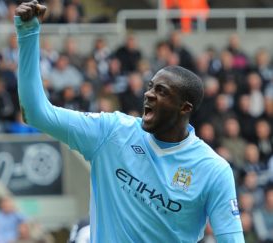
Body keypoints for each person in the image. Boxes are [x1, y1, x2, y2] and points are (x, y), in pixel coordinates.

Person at [14, 1, 244, 242]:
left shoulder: (213, 170)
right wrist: (29, 34)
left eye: (162, 91)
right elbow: (37, 113)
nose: (149, 94)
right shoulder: (111, 132)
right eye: (150, 87)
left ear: (184, 108)